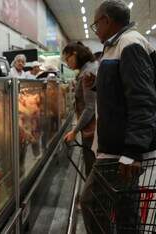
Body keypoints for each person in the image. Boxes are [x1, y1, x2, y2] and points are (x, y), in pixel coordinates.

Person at [81, 1, 156, 233]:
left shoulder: (129, 44)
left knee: (91, 203)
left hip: (120, 149)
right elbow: (122, 90)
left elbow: (143, 99)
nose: (97, 30)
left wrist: (133, 150)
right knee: (125, 210)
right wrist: (96, 86)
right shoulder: (115, 46)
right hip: (118, 146)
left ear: (107, 20)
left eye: (96, 25)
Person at [63, 42, 97, 177]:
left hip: (91, 131)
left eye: (67, 58)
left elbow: (90, 107)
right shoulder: (89, 68)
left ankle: (90, 197)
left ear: (75, 54)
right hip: (92, 129)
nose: (67, 62)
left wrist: (74, 130)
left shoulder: (87, 73)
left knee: (91, 169)